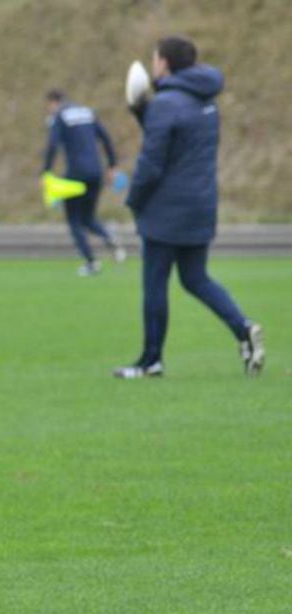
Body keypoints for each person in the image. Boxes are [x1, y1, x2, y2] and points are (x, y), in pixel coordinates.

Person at [114, 36, 264, 379]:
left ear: (164, 63)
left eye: (155, 59)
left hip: (167, 208)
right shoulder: (207, 101)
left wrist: (134, 199)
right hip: (201, 203)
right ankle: (243, 329)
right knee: (195, 278)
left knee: (155, 283)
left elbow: (153, 162)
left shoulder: (166, 103)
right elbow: (179, 144)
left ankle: (151, 361)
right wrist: (144, 113)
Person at [42, 89, 126, 276]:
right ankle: (108, 236)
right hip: (96, 173)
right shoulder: (87, 112)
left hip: (75, 175)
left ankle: (91, 262)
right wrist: (112, 165)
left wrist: (46, 172)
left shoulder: (60, 116)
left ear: (53, 102)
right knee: (88, 217)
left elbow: (52, 144)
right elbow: (106, 138)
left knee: (74, 220)